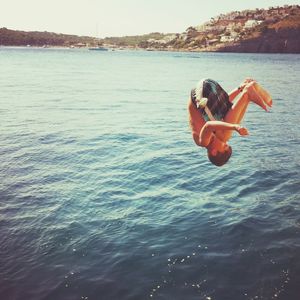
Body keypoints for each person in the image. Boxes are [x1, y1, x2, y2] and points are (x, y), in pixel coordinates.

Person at [187, 78, 272, 166]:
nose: (225, 143)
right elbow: (223, 106)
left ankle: (247, 94)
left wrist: (234, 127)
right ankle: (246, 94)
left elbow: (208, 126)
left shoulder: (203, 142)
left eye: (224, 146)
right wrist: (239, 89)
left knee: (225, 134)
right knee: (224, 125)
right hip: (206, 87)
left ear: (214, 152)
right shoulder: (213, 128)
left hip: (201, 93)